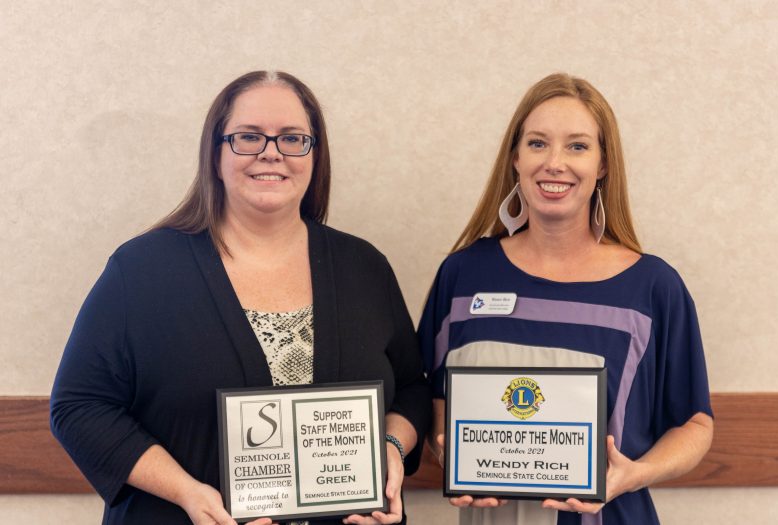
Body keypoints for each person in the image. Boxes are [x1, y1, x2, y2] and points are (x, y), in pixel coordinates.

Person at [51, 70, 431, 525]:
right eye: (248, 137)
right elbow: (79, 407)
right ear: (215, 152)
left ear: (315, 155)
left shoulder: (364, 267)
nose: (271, 153)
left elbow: (411, 387)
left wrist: (389, 449)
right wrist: (188, 493)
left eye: (292, 138)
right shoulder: (142, 271)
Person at [418, 73, 713, 525]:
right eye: (538, 144)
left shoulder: (653, 287)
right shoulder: (463, 276)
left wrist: (634, 474)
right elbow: (432, 400)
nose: (555, 162)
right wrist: (450, 452)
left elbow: (695, 424)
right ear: (515, 158)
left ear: (603, 165)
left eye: (577, 146)